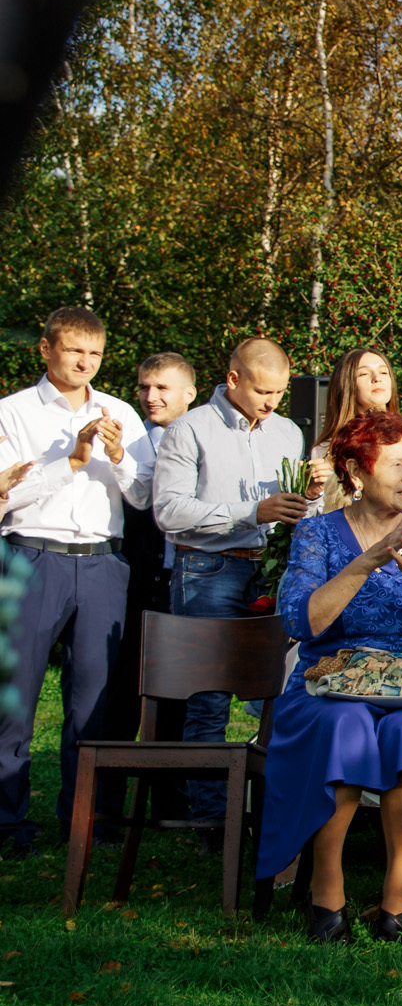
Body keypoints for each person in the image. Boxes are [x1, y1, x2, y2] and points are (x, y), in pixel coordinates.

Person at [256, 409, 402, 942]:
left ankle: (398, 897)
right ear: (355, 471)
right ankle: (329, 888)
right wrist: (364, 564)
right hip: (327, 683)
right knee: (345, 723)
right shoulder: (316, 535)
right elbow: (302, 620)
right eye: (394, 464)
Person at [149, 338, 317, 828]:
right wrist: (250, 512)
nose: (273, 402)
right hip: (208, 569)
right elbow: (169, 511)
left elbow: (287, 506)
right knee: (209, 696)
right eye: (264, 391)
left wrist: (306, 493)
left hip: (272, 569)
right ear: (234, 379)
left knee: (279, 692)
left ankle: (266, 813)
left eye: (281, 393)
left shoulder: (286, 432)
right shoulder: (190, 429)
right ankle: (211, 821)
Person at [0, 307, 150, 854]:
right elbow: (3, 498)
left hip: (103, 562)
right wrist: (71, 460)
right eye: (73, 352)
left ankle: (87, 820)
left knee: (95, 700)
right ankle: (8, 824)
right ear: (45, 350)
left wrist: (116, 457)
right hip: (32, 557)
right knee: (14, 700)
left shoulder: (122, 414)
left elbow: (143, 498)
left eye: (95, 355)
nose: (85, 363)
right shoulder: (12, 413)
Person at [107, 352, 197, 822]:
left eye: (162, 387)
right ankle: (105, 803)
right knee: (121, 688)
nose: (150, 396)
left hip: (186, 578)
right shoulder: (131, 439)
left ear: (190, 393)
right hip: (136, 579)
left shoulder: (202, 441)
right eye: (144, 387)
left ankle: (169, 796)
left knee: (179, 693)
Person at [307, 346, 402, 517]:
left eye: (383, 373)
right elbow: (317, 522)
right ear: (346, 384)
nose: (376, 379)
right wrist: (312, 494)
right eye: (364, 374)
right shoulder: (326, 452)